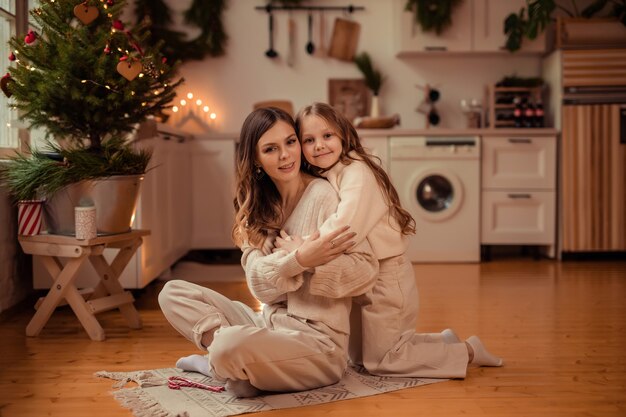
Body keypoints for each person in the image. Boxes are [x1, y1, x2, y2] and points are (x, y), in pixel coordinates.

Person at [158, 107, 379, 397]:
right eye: (271, 149)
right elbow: (259, 286)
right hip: (267, 325)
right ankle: (235, 366)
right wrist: (298, 260)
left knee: (229, 344)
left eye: (290, 142)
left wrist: (314, 264)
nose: (286, 155)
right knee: (172, 293)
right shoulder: (256, 210)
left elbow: (365, 271)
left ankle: (224, 363)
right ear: (256, 159)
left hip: (318, 345)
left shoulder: (324, 196)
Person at [276, 102, 503, 379]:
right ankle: (444, 342)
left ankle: (467, 351)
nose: (319, 146)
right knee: (359, 355)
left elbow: (344, 226)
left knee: (383, 360)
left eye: (327, 136)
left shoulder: (357, 171)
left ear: (344, 135)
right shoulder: (329, 173)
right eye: (309, 140)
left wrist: (301, 250)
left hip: (386, 274)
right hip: (362, 274)